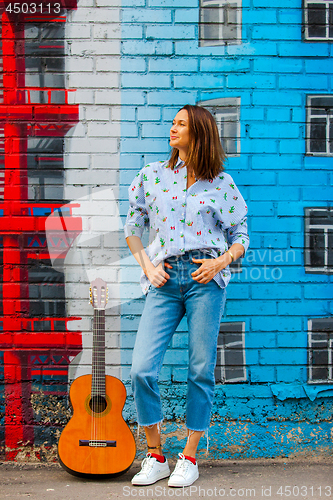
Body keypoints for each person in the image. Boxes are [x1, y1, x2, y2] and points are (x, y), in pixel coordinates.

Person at [124, 104, 249, 488]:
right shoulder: (152, 175)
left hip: (204, 278)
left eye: (181, 123)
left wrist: (220, 263)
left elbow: (241, 237)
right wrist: (147, 265)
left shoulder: (221, 184)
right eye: (173, 123)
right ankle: (156, 455)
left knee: (199, 369)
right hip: (163, 281)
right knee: (141, 369)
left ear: (199, 132)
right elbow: (134, 224)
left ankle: (189, 457)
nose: (173, 128)